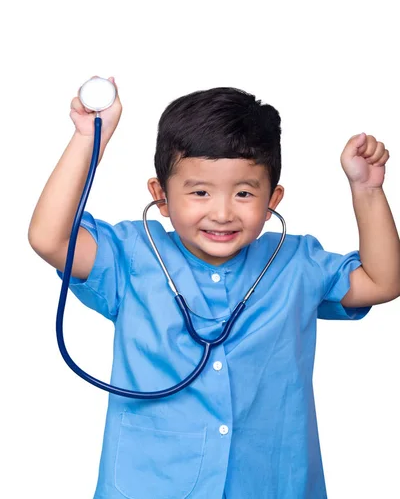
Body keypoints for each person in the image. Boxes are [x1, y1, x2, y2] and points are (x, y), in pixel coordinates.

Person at [28, 78, 400, 499]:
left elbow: (382, 282)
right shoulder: (131, 256)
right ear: (161, 196)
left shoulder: (296, 263)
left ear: (272, 199)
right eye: (200, 192)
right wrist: (88, 139)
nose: (222, 213)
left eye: (244, 192)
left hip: (269, 483)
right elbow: (49, 237)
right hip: (150, 485)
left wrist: (367, 191)